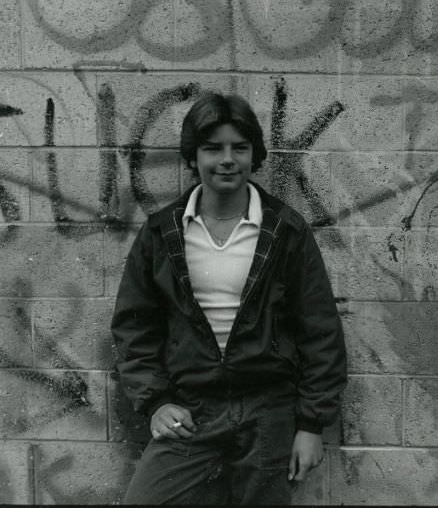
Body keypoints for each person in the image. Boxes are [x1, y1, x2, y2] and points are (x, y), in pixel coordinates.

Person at [111, 92, 347, 504]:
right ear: (193, 156)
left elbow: (320, 331)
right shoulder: (161, 233)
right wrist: (156, 403)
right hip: (192, 409)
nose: (227, 159)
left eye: (239, 148)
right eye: (212, 148)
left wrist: (312, 425)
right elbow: (135, 327)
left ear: (254, 154)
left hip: (268, 411)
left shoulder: (285, 232)